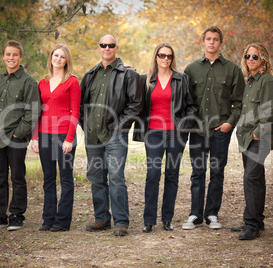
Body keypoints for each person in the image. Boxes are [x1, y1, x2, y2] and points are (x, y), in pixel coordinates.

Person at [182, 26, 245, 230]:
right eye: (208, 39)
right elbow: (186, 101)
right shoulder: (191, 70)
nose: (211, 42)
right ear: (203, 41)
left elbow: (239, 102)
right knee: (197, 172)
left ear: (221, 43)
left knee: (217, 172)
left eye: (215, 39)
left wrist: (229, 123)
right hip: (198, 130)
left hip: (220, 130)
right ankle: (195, 214)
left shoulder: (232, 69)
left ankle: (211, 214)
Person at [79, 34, 142, 236]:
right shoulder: (90, 75)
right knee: (96, 177)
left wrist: (119, 125)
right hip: (93, 136)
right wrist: (86, 125)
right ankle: (102, 218)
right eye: (103, 45)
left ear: (116, 47)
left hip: (115, 135)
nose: (107, 48)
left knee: (116, 177)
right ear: (99, 47)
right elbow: (81, 106)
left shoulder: (128, 74)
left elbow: (136, 104)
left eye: (111, 45)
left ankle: (121, 221)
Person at [134, 43, 197, 233]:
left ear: (172, 58)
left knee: (172, 175)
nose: (165, 59)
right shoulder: (145, 80)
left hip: (175, 134)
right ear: (156, 57)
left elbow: (191, 106)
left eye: (169, 56)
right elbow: (137, 103)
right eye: (162, 55)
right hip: (153, 133)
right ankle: (149, 220)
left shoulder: (182, 79)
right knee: (153, 174)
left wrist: (185, 126)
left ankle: (167, 219)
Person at [0, 40, 40, 231]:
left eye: (15, 55)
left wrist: (18, 134)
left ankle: (16, 215)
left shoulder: (28, 82)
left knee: (18, 177)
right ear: (3, 56)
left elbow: (33, 111)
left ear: (20, 57)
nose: (11, 58)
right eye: (8, 54)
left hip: (15, 139)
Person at [231, 43, 273, 240]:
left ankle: (252, 226)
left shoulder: (267, 81)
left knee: (251, 178)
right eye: (247, 56)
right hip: (247, 137)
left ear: (263, 59)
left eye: (255, 56)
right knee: (255, 178)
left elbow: (272, 112)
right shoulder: (250, 82)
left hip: (260, 137)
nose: (250, 60)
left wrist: (256, 134)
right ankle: (255, 221)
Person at [31, 44, 81, 232]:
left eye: (62, 56)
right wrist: (35, 137)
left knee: (66, 178)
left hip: (64, 136)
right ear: (51, 57)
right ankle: (48, 218)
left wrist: (69, 138)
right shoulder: (42, 82)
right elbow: (37, 112)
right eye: (55, 55)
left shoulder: (72, 81)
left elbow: (75, 111)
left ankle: (62, 221)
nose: (58, 59)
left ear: (66, 60)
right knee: (48, 178)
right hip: (44, 136)